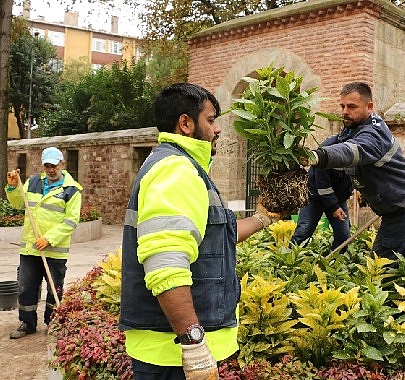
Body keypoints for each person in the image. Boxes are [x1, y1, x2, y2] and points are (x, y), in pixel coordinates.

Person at [119, 82, 281, 380]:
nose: (217, 129)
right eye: (211, 119)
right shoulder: (177, 171)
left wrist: (265, 217)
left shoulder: (179, 166)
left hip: (169, 349)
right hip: (172, 354)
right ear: (185, 123)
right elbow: (166, 265)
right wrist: (193, 344)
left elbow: (217, 236)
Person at [309, 82, 405, 260]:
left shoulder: (374, 134)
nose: (345, 111)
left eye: (352, 106)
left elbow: (353, 151)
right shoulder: (352, 127)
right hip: (397, 201)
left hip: (401, 203)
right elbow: (338, 143)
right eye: (343, 106)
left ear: (369, 107)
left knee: (380, 262)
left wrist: (318, 157)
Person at [5, 147, 83, 339]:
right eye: (47, 165)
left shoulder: (72, 190)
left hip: (54, 251)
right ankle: (27, 322)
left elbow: (71, 221)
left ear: (62, 165)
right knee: (26, 287)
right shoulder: (32, 182)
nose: (50, 169)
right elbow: (18, 204)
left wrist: (49, 239)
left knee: (54, 288)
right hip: (31, 249)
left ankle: (52, 322)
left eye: (54, 165)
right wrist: (14, 188)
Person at [290, 158, 353, 252]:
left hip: (338, 199)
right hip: (315, 198)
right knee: (303, 231)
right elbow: (323, 185)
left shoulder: (360, 153)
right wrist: (334, 207)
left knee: (343, 235)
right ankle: (289, 259)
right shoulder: (327, 151)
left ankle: (334, 261)